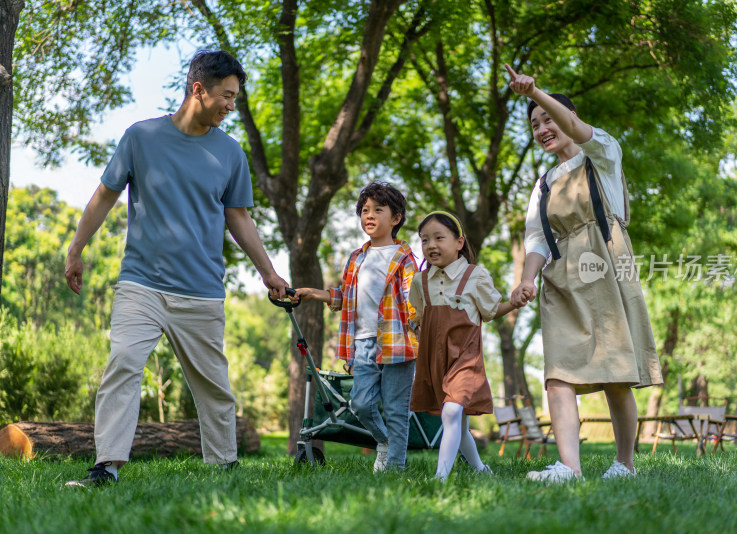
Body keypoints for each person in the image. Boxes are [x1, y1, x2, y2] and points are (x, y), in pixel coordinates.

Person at [64, 50, 289, 487]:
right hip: (140, 283)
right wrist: (76, 249)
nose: (231, 105)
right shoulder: (140, 137)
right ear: (198, 89)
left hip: (201, 290)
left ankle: (224, 468)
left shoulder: (230, 153)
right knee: (123, 364)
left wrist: (269, 273)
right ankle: (106, 468)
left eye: (235, 98)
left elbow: (239, 217)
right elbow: (105, 195)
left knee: (213, 387)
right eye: (226, 95)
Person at [505, 64, 662, 482]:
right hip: (561, 278)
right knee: (558, 373)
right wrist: (527, 279)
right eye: (534, 124)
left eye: (548, 118)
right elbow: (537, 238)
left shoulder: (603, 156)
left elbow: (574, 124)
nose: (542, 127)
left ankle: (624, 464)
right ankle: (568, 467)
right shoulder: (541, 185)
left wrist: (534, 92)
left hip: (605, 266)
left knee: (615, 374)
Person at [292, 182, 418, 472]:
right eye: (364, 210)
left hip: (398, 342)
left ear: (396, 218)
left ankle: (395, 469)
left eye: (377, 210)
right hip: (362, 342)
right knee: (360, 403)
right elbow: (347, 298)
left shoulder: (404, 257)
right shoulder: (356, 258)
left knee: (397, 410)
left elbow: (414, 299)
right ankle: (384, 441)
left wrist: (423, 329)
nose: (369, 215)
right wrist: (314, 293)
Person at [409, 211, 521, 481]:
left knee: (450, 412)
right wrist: (416, 327)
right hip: (436, 360)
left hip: (466, 358)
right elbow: (421, 316)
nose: (431, 245)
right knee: (457, 423)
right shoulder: (420, 281)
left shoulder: (475, 276)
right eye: (425, 240)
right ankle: (481, 469)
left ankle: (441, 477)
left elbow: (492, 310)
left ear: (459, 242)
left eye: (439, 238)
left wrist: (515, 302)